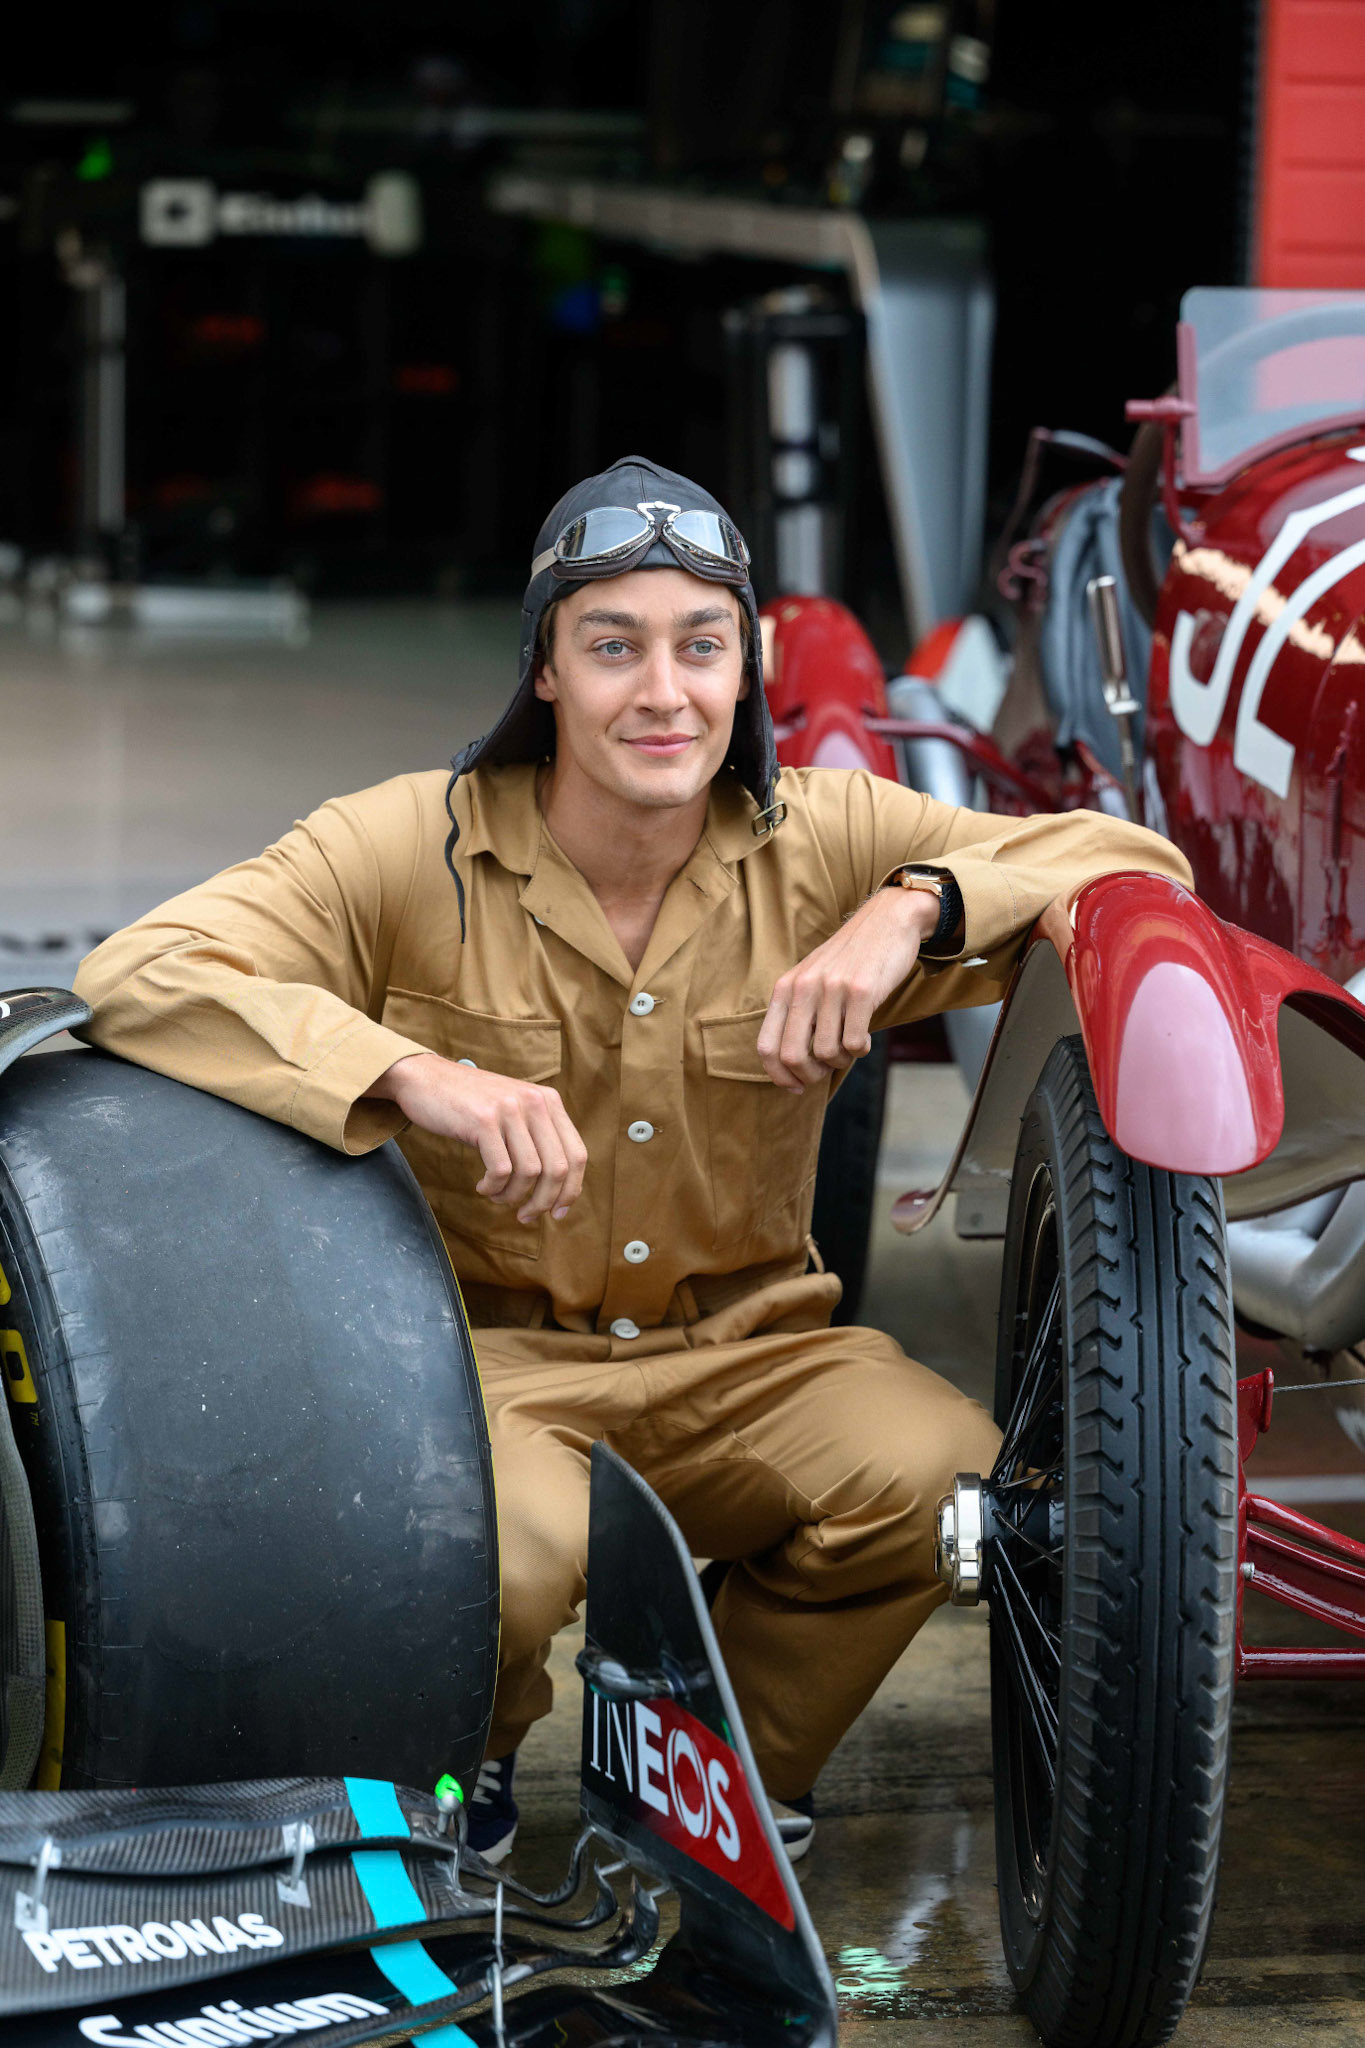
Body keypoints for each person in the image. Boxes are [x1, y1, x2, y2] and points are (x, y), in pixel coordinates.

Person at [74, 456, 1193, 1867]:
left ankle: (718, 1767)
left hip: (748, 1357)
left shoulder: (830, 839)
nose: (660, 692)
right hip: (481, 1368)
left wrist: (911, 909)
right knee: (494, 1555)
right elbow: (142, 971)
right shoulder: (404, 846)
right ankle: (449, 1778)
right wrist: (415, 1074)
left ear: (744, 672)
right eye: (610, 646)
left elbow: (1133, 862)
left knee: (931, 1475)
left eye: (699, 646)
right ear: (543, 667)